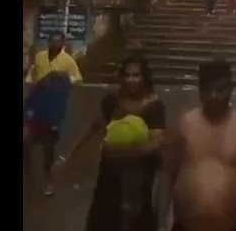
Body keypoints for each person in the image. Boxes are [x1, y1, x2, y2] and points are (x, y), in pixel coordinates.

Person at [156, 59, 236, 231]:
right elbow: (167, 174)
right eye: (208, 91)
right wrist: (161, 222)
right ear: (200, 91)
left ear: (230, 89)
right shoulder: (183, 125)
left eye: (220, 90)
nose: (214, 96)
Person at [62, 54, 166, 231]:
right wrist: (70, 155)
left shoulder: (154, 106)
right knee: (106, 220)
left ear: (144, 77)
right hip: (110, 177)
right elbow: (95, 127)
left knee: (135, 222)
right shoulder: (113, 101)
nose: (131, 80)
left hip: (138, 179)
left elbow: (156, 143)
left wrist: (120, 152)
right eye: (127, 75)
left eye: (136, 75)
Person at [24, 31, 84, 196]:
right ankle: (28, 176)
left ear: (63, 43)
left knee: (48, 149)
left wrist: (63, 79)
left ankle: (49, 180)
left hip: (54, 106)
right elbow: (33, 74)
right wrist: (30, 86)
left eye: (59, 41)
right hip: (37, 102)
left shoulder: (68, 61)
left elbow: (77, 78)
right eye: (53, 40)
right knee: (26, 142)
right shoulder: (40, 56)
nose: (55, 43)